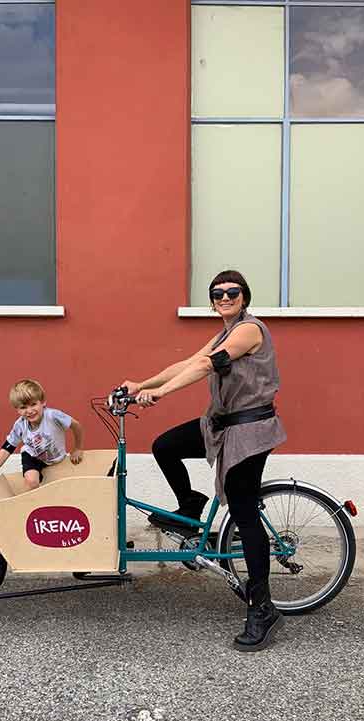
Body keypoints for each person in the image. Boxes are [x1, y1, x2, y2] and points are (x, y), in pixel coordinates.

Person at [122, 270, 286, 652]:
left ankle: (262, 607)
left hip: (250, 430)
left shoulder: (249, 330)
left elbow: (205, 367)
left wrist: (160, 394)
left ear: (244, 297)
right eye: (218, 294)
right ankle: (192, 507)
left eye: (232, 292)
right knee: (165, 446)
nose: (225, 298)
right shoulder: (223, 334)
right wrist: (141, 384)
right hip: (220, 424)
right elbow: (188, 362)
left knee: (244, 511)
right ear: (212, 301)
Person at [0, 379, 84, 489]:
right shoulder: (20, 425)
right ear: (17, 409)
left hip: (55, 458)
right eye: (23, 407)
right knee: (32, 481)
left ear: (43, 402)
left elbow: (76, 425)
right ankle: (33, 501)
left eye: (33, 404)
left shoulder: (53, 416)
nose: (29, 410)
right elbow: (7, 448)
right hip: (32, 455)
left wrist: (78, 448)